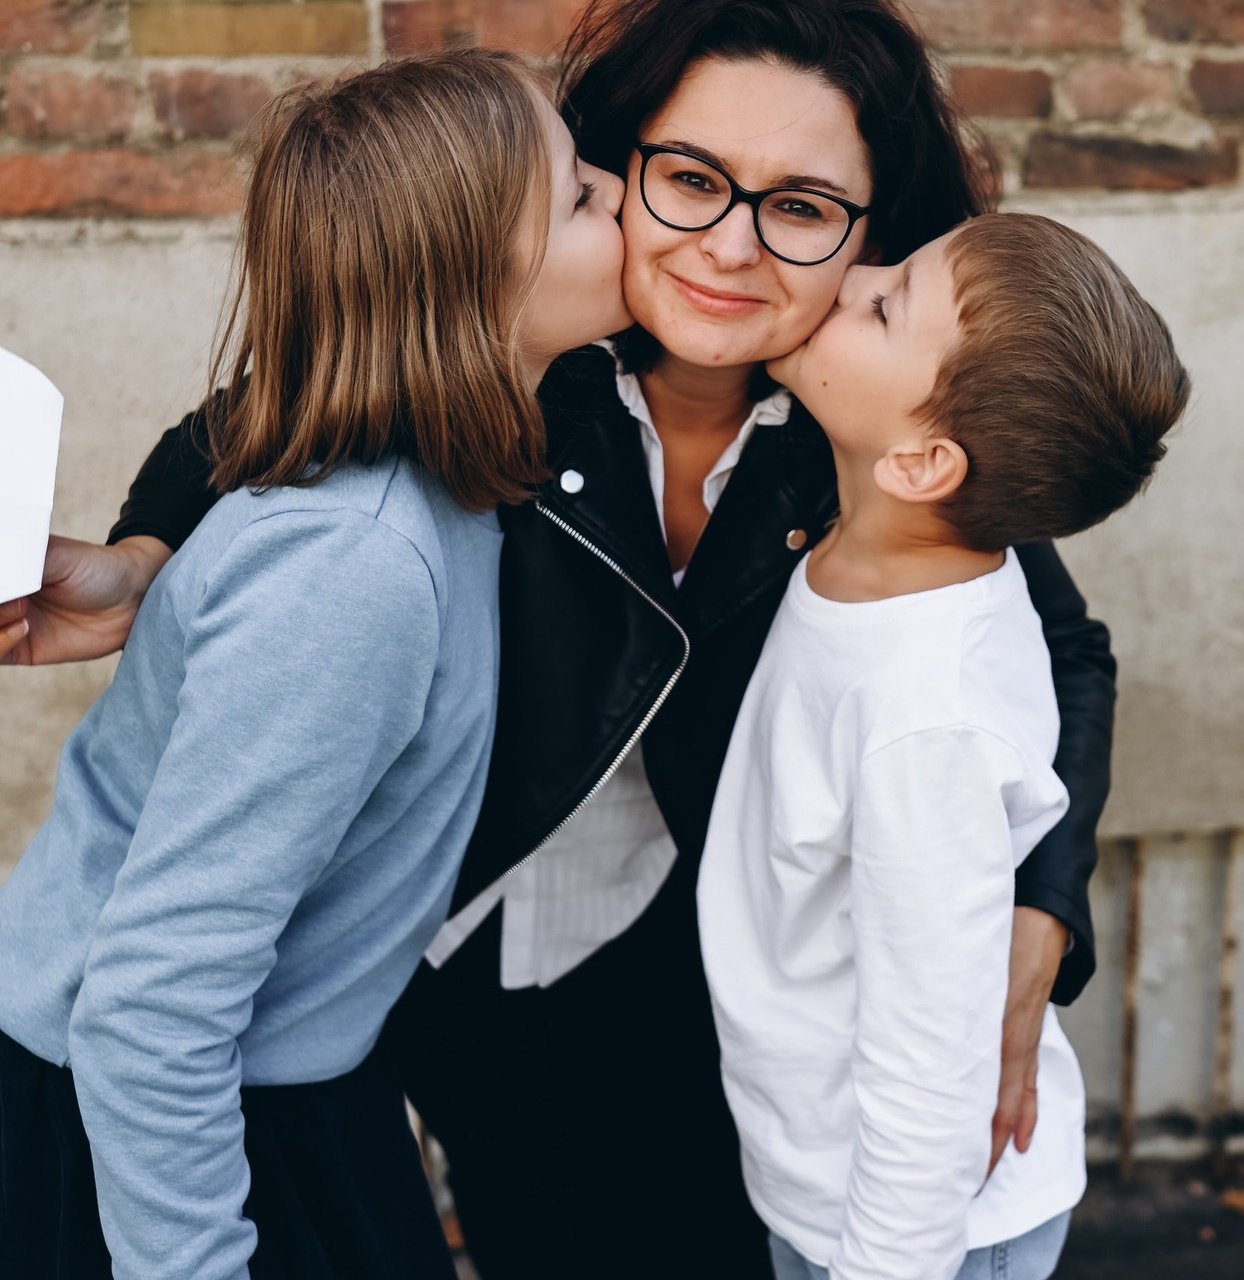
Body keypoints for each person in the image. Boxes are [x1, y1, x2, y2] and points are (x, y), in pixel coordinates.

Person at [0, 3, 1118, 1276]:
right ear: (616, 171)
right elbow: (262, 420)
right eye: (689, 179)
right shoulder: (511, 351)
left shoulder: (879, 432)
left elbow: (1051, 647)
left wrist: (1039, 908)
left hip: (666, 968)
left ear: (871, 234)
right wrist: (148, 559)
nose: (731, 248)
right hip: (413, 948)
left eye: (802, 207)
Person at [0, 50, 629, 1280]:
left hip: (279, 1081)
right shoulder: (353, 569)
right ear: (472, 279)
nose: (617, 189)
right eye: (578, 196)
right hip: (155, 1123)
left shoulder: (442, 485)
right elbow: (151, 1005)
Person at [699, 211, 1189, 1280]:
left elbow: (928, 1057)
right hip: (825, 1182)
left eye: (883, 302)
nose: (848, 275)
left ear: (921, 461)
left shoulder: (922, 718)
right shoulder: (891, 555)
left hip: (909, 1235)